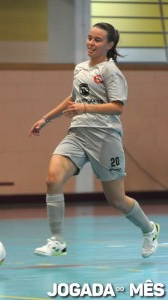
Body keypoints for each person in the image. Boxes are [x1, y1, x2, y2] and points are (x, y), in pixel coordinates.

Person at [29, 22, 160, 258]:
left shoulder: (111, 71)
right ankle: (57, 241)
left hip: (105, 137)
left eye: (97, 40)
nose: (91, 43)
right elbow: (72, 100)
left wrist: (85, 108)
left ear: (110, 45)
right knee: (52, 179)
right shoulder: (80, 68)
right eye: (89, 38)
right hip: (78, 134)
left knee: (117, 200)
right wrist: (45, 119)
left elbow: (117, 107)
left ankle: (149, 229)